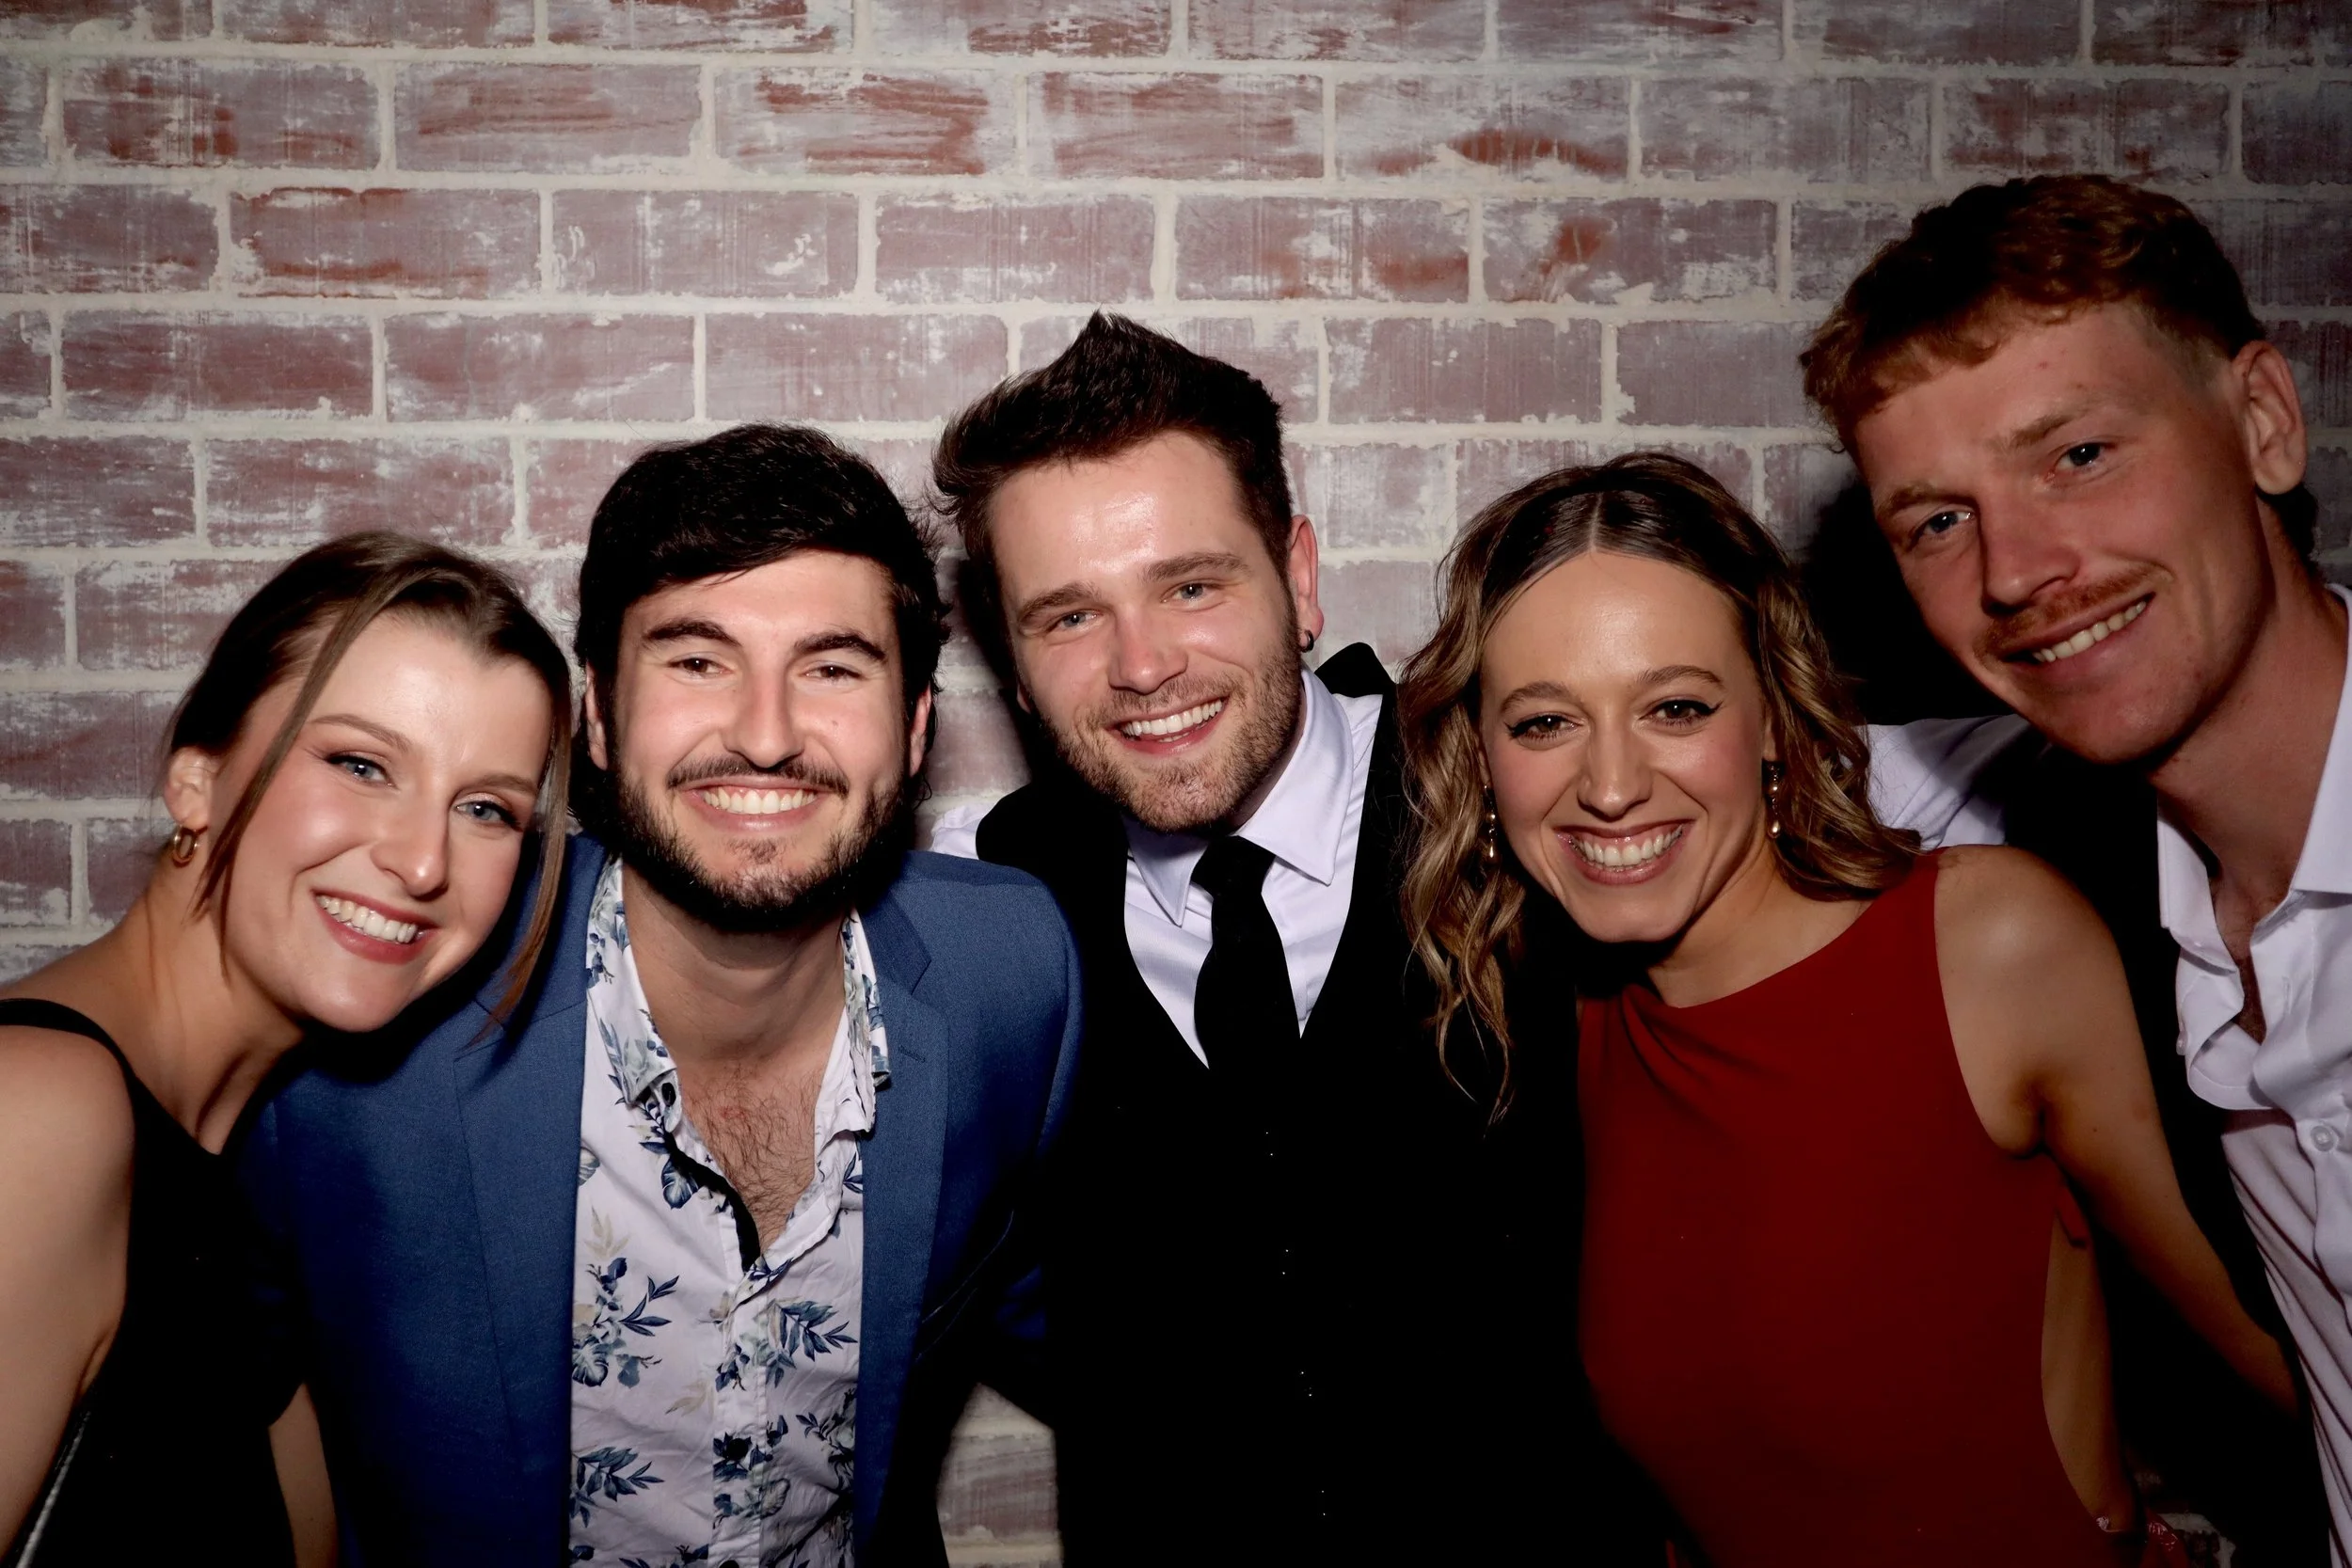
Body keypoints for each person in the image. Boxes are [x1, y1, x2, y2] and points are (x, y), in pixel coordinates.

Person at [1396, 451, 2297, 1565]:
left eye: (1676, 705)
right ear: (1479, 760)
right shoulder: (1561, 1025)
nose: (1612, 781)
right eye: (1543, 722)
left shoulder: (1983, 947)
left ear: (1774, 717)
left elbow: (2296, 1356)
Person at [236, 425, 1081, 1566]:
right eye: (696, 659)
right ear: (594, 709)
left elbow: (1079, 1318)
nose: (766, 734)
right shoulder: (379, 1026)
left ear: (917, 723)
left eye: (833, 667)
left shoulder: (1012, 972)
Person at [928, 313, 1659, 1560]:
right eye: (1067, 617)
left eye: (1192, 583)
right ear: (1009, 647)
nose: (1144, 664)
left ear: (1300, 577)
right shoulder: (985, 901)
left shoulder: (1514, 799)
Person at [1807, 173, 2339, 1560]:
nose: (2017, 567)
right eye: (1935, 521)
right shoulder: (2092, 868)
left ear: (2265, 422)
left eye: (2079, 455)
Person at [0, 533, 574, 1566]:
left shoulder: (244, 1168)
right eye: (360, 763)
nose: (420, 857)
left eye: (486, 808)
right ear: (197, 779)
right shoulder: (34, 1111)